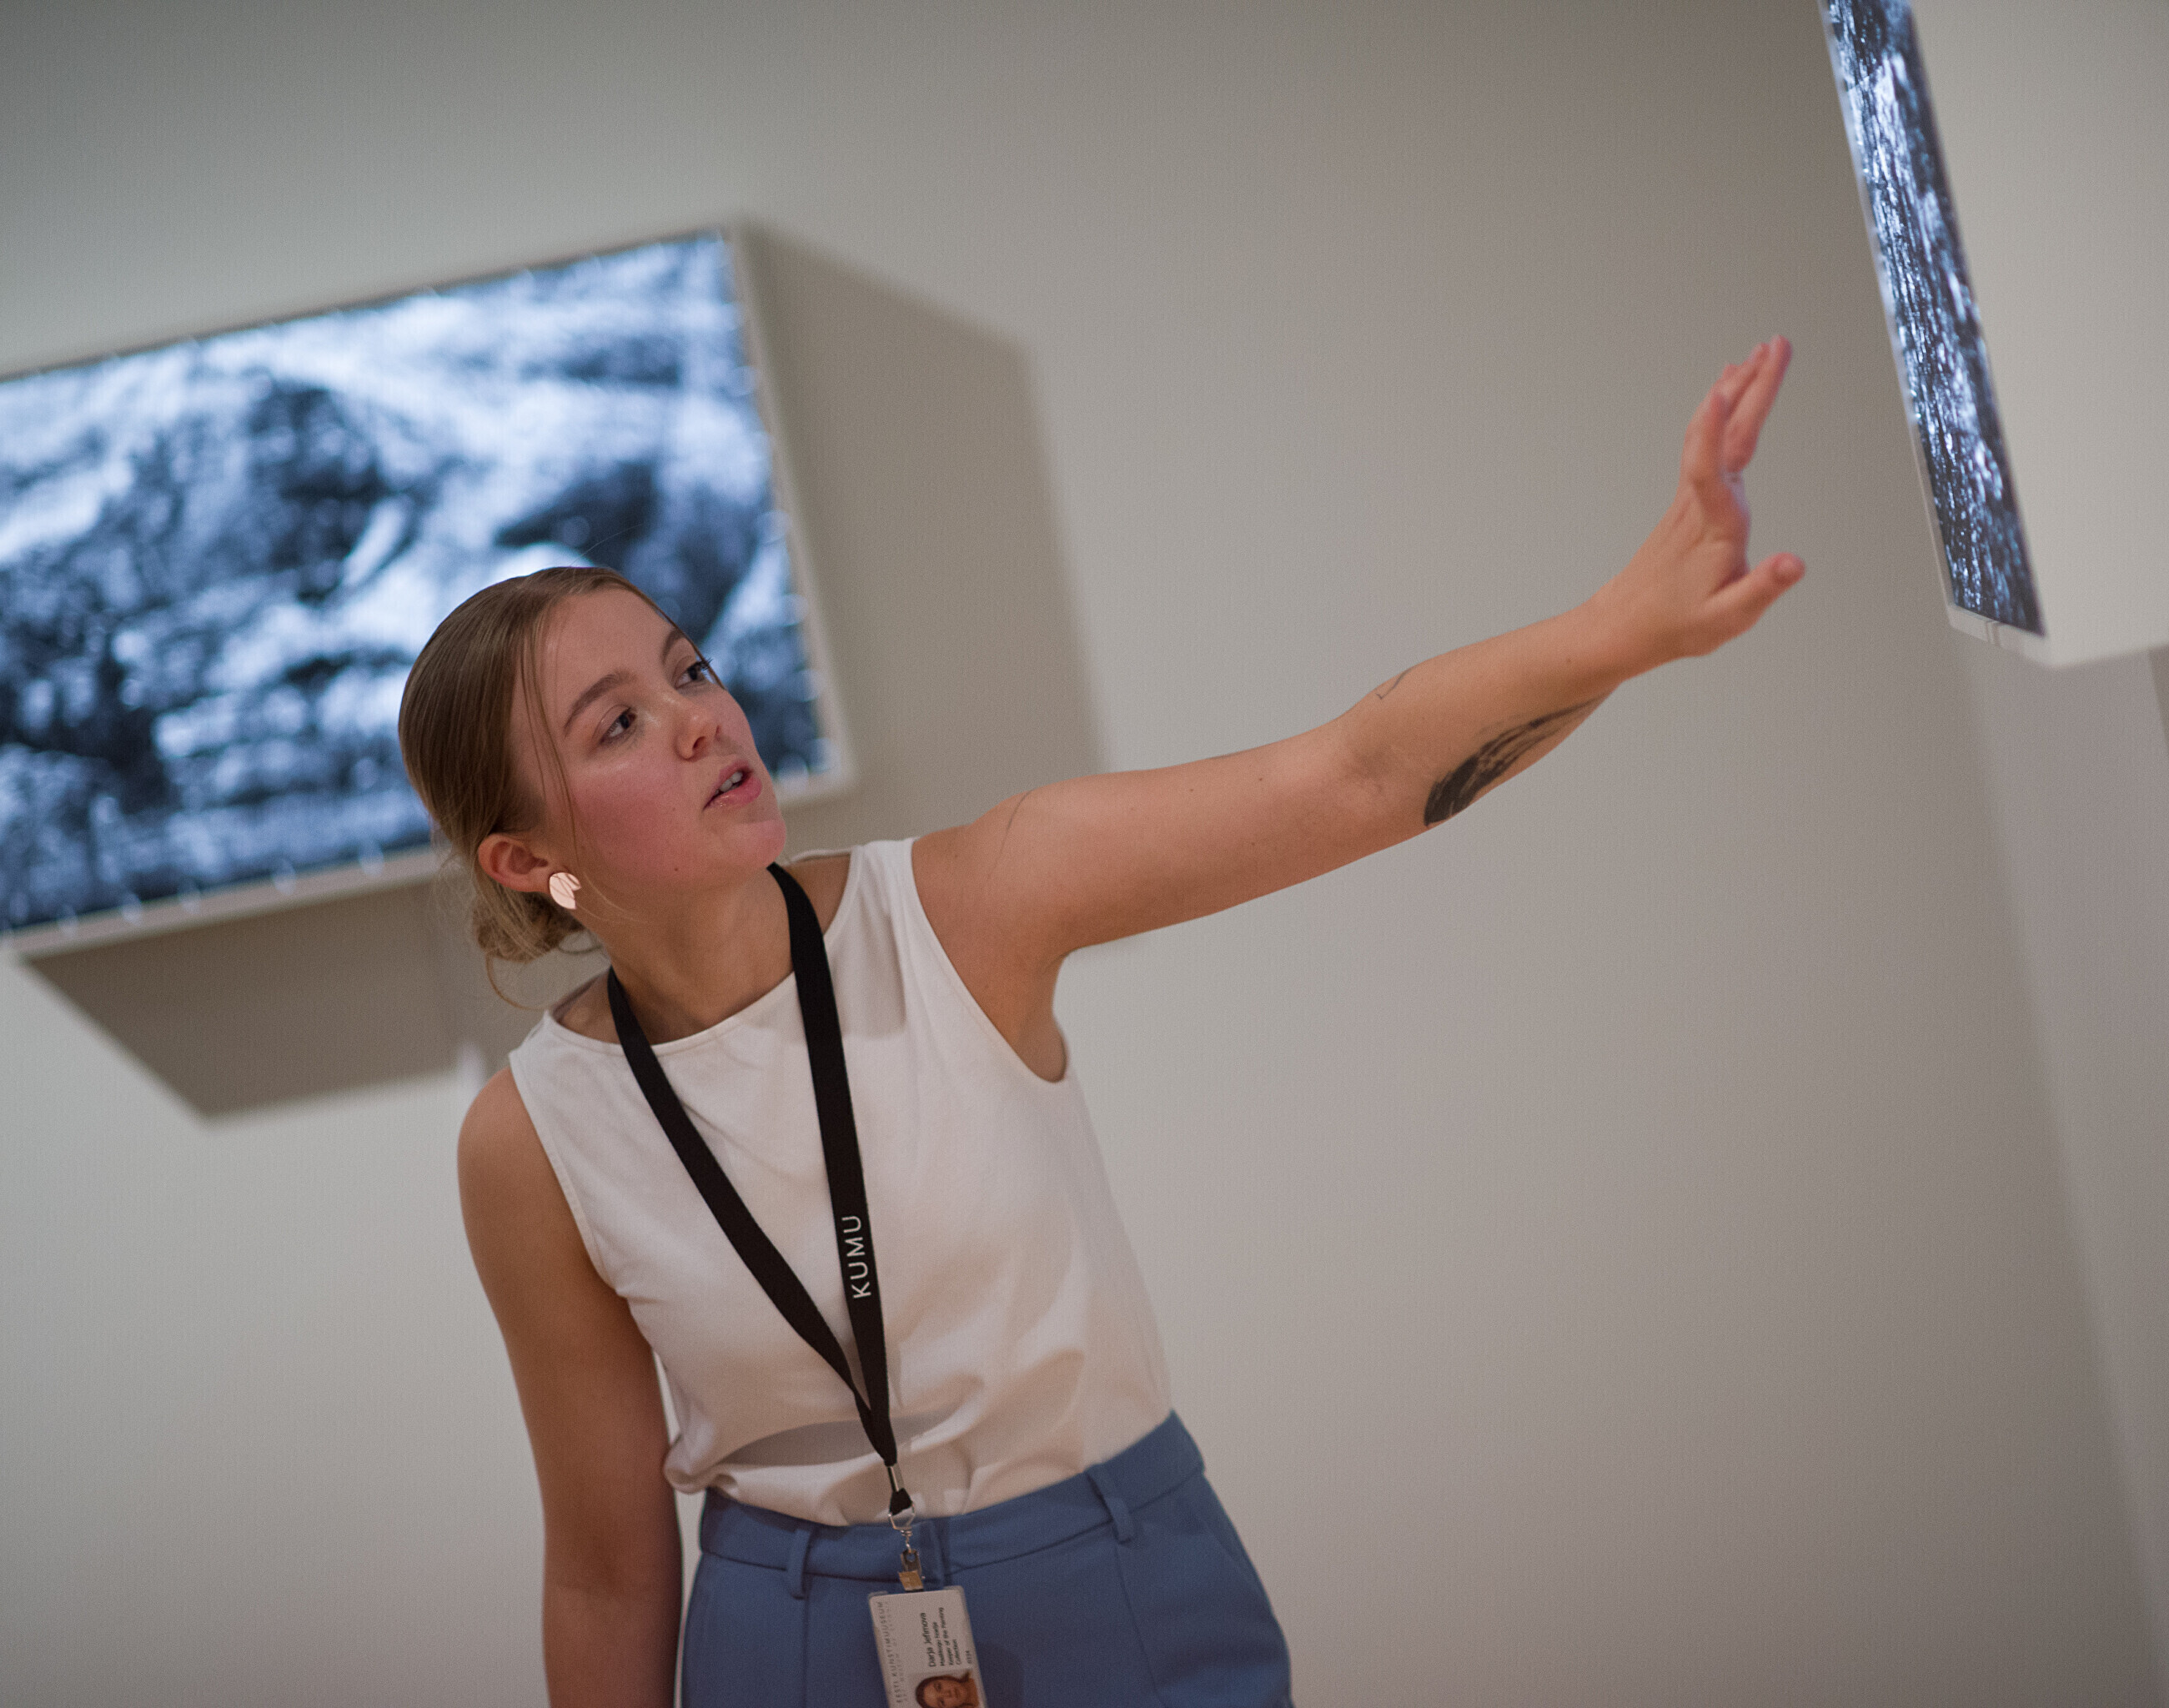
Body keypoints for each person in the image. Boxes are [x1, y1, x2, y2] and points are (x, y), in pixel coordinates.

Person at [397, 339, 1800, 1708]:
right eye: (618, 725)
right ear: (527, 859)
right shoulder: (533, 1140)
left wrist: (1625, 627)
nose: (703, 719)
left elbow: (1354, 774)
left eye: (689, 670)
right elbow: (604, 1574)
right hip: (792, 1632)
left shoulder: (967, 906)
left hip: (1112, 1575)